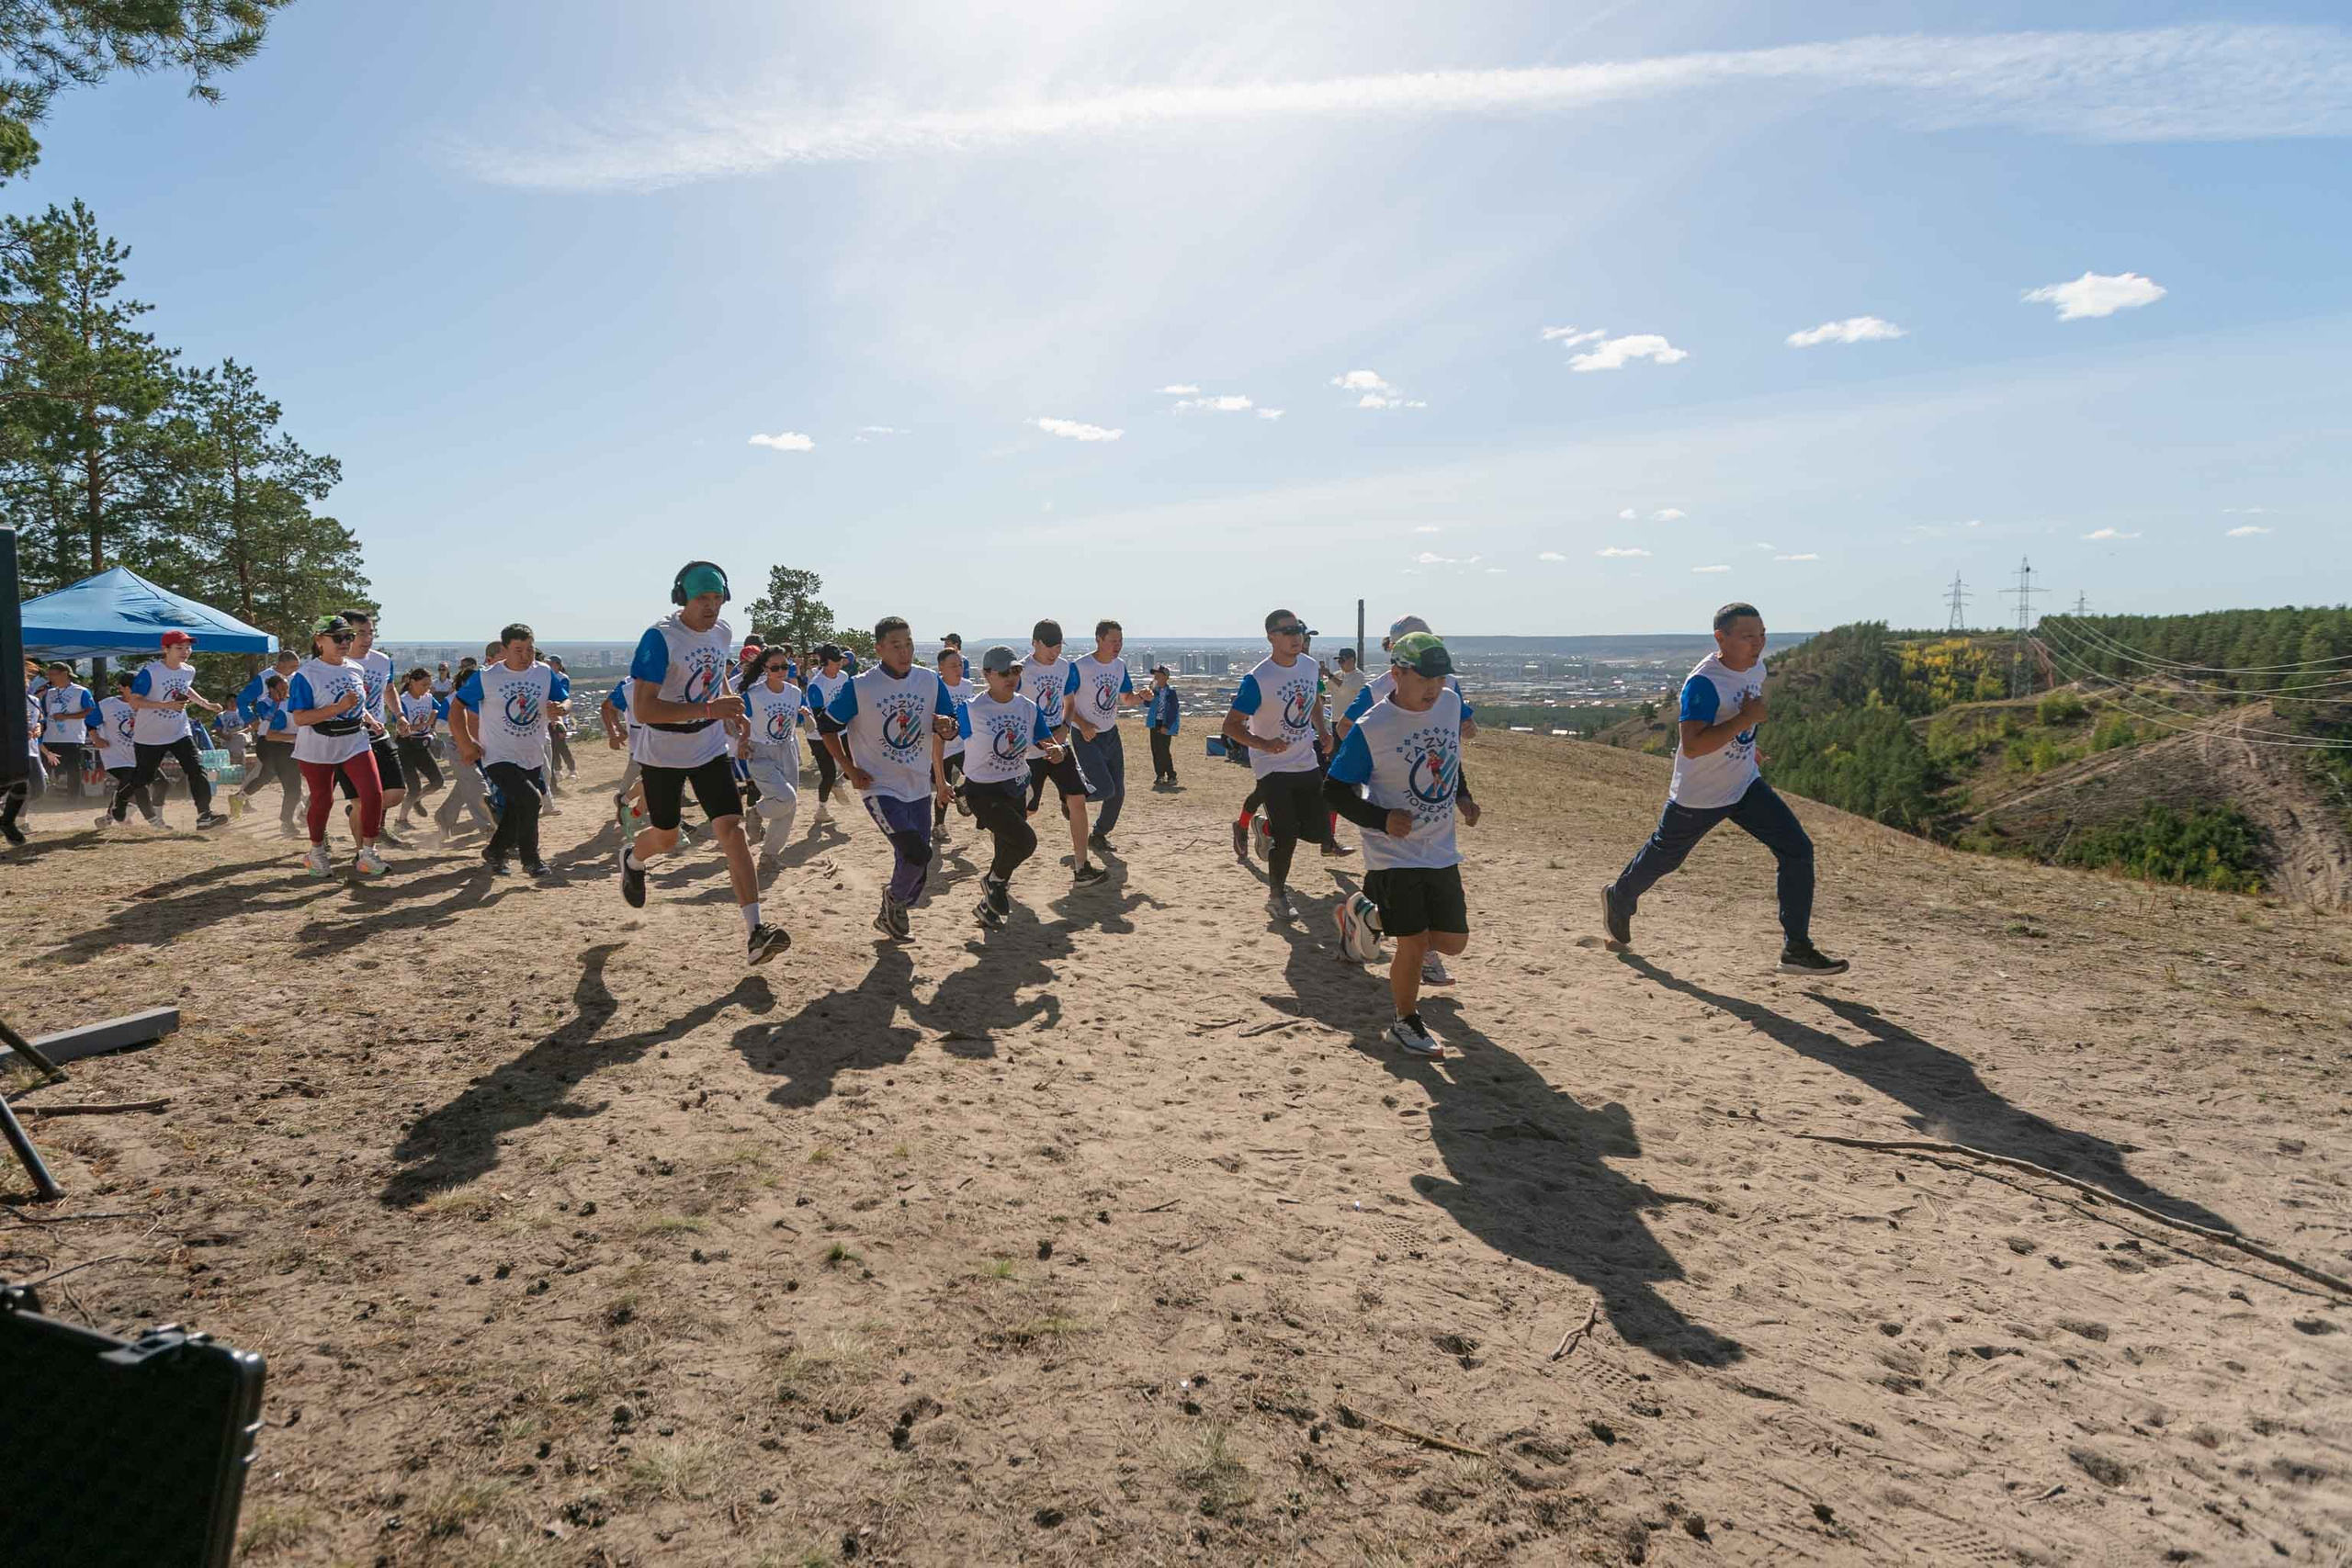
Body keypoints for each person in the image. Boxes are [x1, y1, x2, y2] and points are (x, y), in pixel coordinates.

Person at [1600, 601, 1849, 976]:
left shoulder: (1755, 667)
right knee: (1666, 857)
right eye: (1748, 636)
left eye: (1762, 634)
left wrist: (1748, 743)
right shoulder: (1703, 683)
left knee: (1798, 850)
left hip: (1744, 784)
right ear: (1721, 638)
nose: (1758, 643)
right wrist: (1746, 720)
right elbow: (1693, 745)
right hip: (1700, 794)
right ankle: (1620, 898)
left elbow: (1738, 719)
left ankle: (1796, 948)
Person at [616, 561, 786, 965]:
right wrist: (711, 709)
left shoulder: (722, 631)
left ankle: (756, 932)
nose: (711, 606)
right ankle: (633, 859)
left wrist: (728, 709)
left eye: (717, 598)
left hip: (708, 747)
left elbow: (714, 677)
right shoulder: (660, 638)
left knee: (732, 830)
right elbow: (645, 709)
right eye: (702, 599)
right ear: (682, 598)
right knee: (667, 837)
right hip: (662, 752)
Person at [1324, 633, 1482, 1056]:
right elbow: (1333, 791)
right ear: (1396, 674)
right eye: (1424, 679)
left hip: (1440, 848)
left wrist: (1463, 795)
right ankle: (1405, 1022)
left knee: (1452, 942)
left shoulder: (1449, 704)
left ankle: (1365, 915)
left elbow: (1448, 756)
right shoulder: (1372, 727)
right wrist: (1382, 820)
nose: (1434, 688)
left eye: (1440, 679)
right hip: (1391, 853)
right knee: (1412, 943)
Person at [819, 615, 962, 939]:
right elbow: (827, 727)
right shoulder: (860, 687)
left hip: (918, 784)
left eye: (909, 643)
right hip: (879, 786)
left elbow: (949, 724)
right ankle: (893, 901)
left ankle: (892, 911)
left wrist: (947, 727)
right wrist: (850, 769)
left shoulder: (929, 680)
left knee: (915, 861)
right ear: (879, 649)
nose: (904, 651)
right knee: (917, 852)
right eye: (896, 645)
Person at [1222, 608, 1330, 921]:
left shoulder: (1310, 666)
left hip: (1306, 760)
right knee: (1287, 837)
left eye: (1298, 630)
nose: (1296, 636)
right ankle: (1277, 897)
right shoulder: (1258, 679)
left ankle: (1263, 827)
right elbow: (1230, 726)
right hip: (1271, 766)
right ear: (1271, 637)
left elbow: (1314, 701)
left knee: (1318, 832)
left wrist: (1323, 731)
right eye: (1288, 631)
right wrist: (1264, 744)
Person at [956, 645, 1066, 928]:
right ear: (987, 675)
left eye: (1016, 670)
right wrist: (945, 782)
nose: (1012, 677)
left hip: (1015, 786)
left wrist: (1057, 750)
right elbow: (945, 740)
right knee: (1025, 841)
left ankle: (988, 908)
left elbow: (1046, 741)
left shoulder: (1027, 707)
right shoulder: (970, 709)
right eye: (1004, 672)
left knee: (1006, 848)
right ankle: (993, 883)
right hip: (982, 791)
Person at [453, 624, 565, 877]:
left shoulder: (543, 672)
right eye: (518, 650)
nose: (525, 655)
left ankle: (495, 850)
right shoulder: (487, 677)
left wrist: (562, 709)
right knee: (532, 800)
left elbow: (564, 699)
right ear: (504, 650)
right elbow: (456, 707)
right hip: (497, 755)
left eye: (530, 649)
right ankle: (531, 859)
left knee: (518, 806)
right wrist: (465, 743)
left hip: (532, 753)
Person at [287, 615, 388, 878]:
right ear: (319, 640)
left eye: (348, 637)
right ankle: (316, 852)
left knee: (373, 794)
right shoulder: (306, 675)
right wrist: (337, 708)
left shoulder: (356, 668)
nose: (345, 642)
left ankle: (368, 853)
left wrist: (370, 719)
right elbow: (300, 718)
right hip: (318, 744)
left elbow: (357, 703)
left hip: (355, 740)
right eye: (338, 638)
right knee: (323, 799)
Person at [1015, 619, 1108, 886]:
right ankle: (1003, 852)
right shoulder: (1021, 671)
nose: (1054, 652)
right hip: (1031, 753)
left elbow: (1069, 702)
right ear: (1034, 643)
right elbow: (1014, 710)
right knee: (1028, 810)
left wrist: (1065, 727)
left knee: (1077, 800)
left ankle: (1082, 867)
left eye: (1058, 647)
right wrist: (1040, 741)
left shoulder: (1064, 667)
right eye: (1049, 647)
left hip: (1060, 746)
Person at [108, 631, 228, 830]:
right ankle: (120, 798)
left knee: (197, 770)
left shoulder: (188, 670)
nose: (185, 652)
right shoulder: (151, 672)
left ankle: (204, 816)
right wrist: (166, 705)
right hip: (150, 736)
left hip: (180, 731)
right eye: (179, 648)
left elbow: (185, 688)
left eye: (188, 648)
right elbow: (135, 702)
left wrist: (205, 704)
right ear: (165, 649)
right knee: (144, 779)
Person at [1069, 619, 1146, 854]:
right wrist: (1083, 724)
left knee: (1118, 792)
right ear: (1098, 640)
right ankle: (1070, 799)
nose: (1117, 646)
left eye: (1120, 641)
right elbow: (1065, 703)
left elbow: (1127, 698)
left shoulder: (1119, 666)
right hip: (1085, 736)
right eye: (1112, 641)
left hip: (1110, 734)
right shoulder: (1080, 667)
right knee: (1104, 789)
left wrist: (1142, 697)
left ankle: (1099, 835)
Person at [339, 609, 408, 845]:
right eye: (361, 633)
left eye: (371, 633)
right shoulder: (337, 664)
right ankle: (362, 852)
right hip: (346, 739)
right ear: (345, 634)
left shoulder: (382, 660)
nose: (368, 638)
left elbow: (388, 688)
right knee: (360, 800)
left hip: (378, 735)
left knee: (395, 793)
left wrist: (399, 715)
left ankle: (361, 813)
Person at [739, 643, 807, 874]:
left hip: (787, 750)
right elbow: (735, 720)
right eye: (775, 667)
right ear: (765, 669)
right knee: (786, 798)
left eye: (784, 666)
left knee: (789, 807)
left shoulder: (795, 693)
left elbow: (798, 721)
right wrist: (742, 741)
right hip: (760, 753)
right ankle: (757, 812)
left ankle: (769, 856)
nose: (781, 671)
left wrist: (806, 716)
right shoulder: (753, 695)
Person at [89, 671, 165, 827]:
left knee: (161, 783)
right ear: (121, 688)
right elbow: (90, 722)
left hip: (140, 756)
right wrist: (96, 739)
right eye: (133, 689)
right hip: (117, 757)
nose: (139, 692)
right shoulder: (108, 705)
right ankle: (155, 822)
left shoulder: (147, 703)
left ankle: (108, 819)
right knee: (138, 785)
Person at [243, 673, 303, 834]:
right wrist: (297, 737)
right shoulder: (267, 704)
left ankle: (241, 797)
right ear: (271, 689)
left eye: (286, 688)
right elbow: (270, 733)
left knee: (278, 780)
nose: (285, 691)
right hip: (273, 747)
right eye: (281, 689)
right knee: (288, 784)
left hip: (289, 747)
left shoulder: (291, 703)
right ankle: (289, 820)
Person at [802, 644, 853, 827]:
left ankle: (840, 784)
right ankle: (821, 810)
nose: (839, 663)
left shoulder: (844, 677)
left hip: (842, 728)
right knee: (828, 773)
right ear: (825, 662)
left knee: (855, 761)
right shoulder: (816, 685)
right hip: (819, 734)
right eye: (835, 660)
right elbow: (820, 719)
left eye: (840, 659)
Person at [3, 682, 57, 845]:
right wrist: (15, 731)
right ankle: (18, 821)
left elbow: (39, 721)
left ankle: (8, 814)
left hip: (31, 750)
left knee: (39, 788)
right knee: (20, 786)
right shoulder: (5, 699)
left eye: (25, 681)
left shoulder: (33, 700)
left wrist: (38, 729)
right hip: (9, 750)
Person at [394, 668, 446, 829]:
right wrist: (425, 724)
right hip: (406, 745)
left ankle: (416, 800)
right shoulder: (403, 701)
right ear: (412, 682)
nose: (427, 688)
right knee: (414, 787)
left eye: (429, 685)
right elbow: (402, 730)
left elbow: (439, 709)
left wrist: (432, 718)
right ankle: (401, 820)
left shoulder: (428, 697)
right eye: (424, 685)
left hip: (422, 745)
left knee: (438, 781)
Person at [37, 661, 96, 802]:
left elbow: (90, 711)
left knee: (73, 770)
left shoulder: (81, 691)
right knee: (45, 768)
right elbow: (43, 714)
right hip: (51, 737)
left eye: (52, 674)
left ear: (64, 674)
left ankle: (72, 800)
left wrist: (67, 716)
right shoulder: (49, 692)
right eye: (48, 675)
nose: (50, 678)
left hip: (72, 737)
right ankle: (42, 798)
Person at [933, 646, 974, 838]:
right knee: (942, 787)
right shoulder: (935, 688)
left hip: (962, 746)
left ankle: (961, 791)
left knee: (976, 776)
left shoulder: (967, 686)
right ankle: (939, 826)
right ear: (941, 667)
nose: (958, 669)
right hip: (940, 749)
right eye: (953, 666)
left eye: (960, 665)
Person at [545, 654, 579, 788]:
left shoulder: (562, 678)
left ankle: (572, 769)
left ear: (558, 665)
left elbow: (562, 695)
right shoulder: (545, 676)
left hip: (560, 718)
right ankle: (557, 770)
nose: (549, 666)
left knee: (561, 744)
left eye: (552, 664)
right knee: (552, 746)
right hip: (548, 718)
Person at [1145, 664, 1181, 787]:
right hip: (1154, 723)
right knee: (1155, 750)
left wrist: (1167, 725)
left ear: (1165, 677)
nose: (1155, 678)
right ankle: (1160, 775)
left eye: (1158, 675)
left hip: (1165, 723)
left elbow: (1173, 710)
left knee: (1164, 750)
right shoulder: (1154, 691)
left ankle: (1171, 775)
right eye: (1155, 676)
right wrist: (1148, 694)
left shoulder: (1171, 693)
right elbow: (1147, 704)